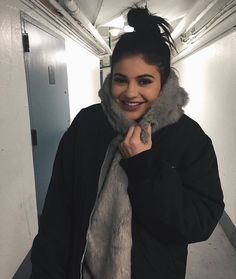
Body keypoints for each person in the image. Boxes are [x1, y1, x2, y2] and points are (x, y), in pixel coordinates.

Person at [30, 6, 224, 279]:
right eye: (121, 80)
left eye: (144, 81)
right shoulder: (87, 125)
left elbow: (199, 221)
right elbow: (58, 213)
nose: (130, 93)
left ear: (164, 82)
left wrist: (145, 168)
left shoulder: (188, 139)